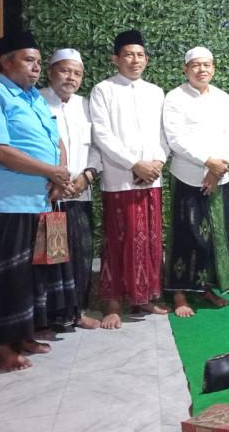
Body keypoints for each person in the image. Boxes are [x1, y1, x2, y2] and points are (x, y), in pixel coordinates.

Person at [0, 30, 69, 370]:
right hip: (6, 203)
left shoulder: (34, 98)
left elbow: (56, 140)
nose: (36, 67)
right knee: (6, 278)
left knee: (30, 277)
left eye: (38, 62)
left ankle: (23, 333)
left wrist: (59, 174)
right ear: (6, 61)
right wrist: (51, 171)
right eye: (29, 60)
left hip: (39, 201)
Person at [90, 30, 168, 329]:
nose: (135, 60)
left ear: (146, 59)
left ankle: (144, 297)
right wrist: (134, 164)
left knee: (149, 240)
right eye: (128, 55)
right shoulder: (103, 90)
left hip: (151, 180)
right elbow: (102, 135)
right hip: (120, 179)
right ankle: (113, 303)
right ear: (116, 59)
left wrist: (158, 162)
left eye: (140, 55)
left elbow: (164, 133)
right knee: (118, 239)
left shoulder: (155, 92)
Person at [163, 47, 229, 316]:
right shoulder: (175, 97)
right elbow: (176, 139)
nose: (201, 69)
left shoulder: (222, 97)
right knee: (186, 235)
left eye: (206, 65)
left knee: (218, 235)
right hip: (187, 176)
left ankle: (205, 288)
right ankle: (179, 293)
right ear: (186, 69)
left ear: (213, 68)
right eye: (195, 65)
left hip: (219, 176)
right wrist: (208, 162)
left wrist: (217, 169)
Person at [40, 48, 103, 330]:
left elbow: (97, 147)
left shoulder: (85, 105)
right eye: (65, 71)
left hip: (80, 193)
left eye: (77, 73)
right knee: (50, 257)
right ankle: (49, 317)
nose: (71, 78)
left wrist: (87, 175)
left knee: (80, 253)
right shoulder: (37, 102)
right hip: (49, 196)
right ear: (50, 72)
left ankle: (77, 311)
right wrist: (57, 180)